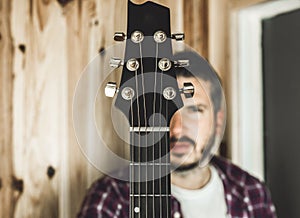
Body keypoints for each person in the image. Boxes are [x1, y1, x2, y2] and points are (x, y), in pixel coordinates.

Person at [77, 51, 277, 218]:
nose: (178, 129)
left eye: (194, 111)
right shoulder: (113, 197)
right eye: (166, 112)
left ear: (217, 121)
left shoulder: (252, 192)